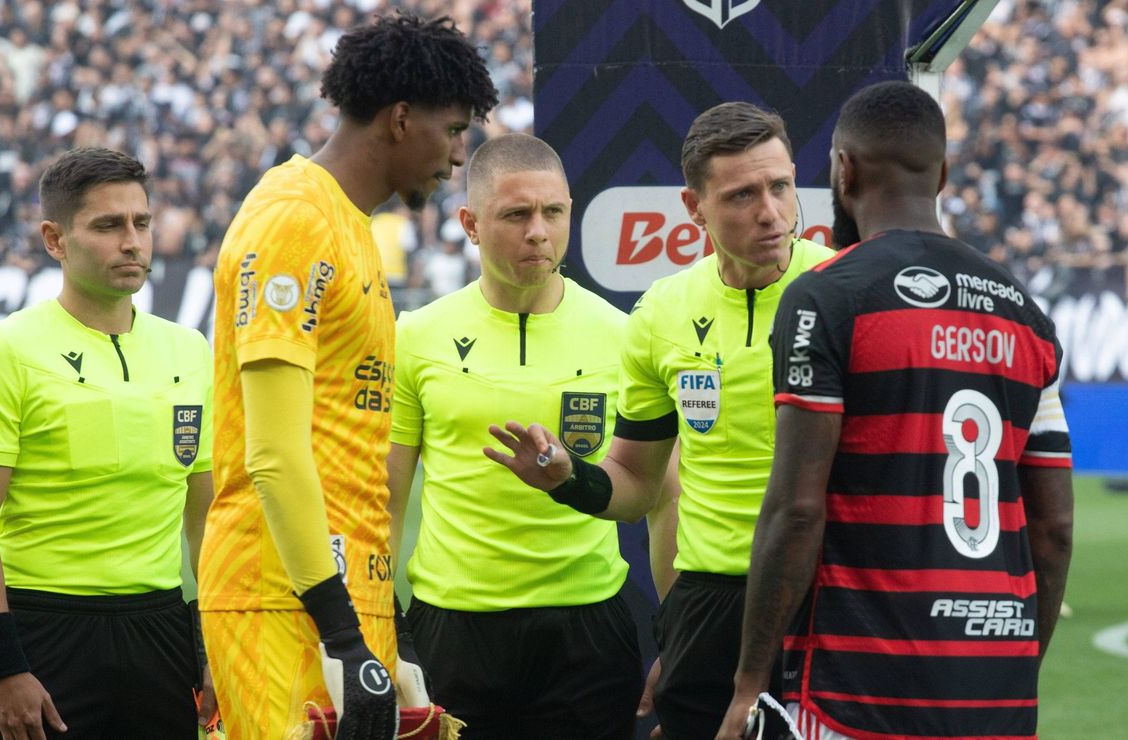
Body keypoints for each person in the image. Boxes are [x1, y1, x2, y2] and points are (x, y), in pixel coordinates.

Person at [717, 80, 1074, 740]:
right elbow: (1052, 530)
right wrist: (1013, 665)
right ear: (941, 172)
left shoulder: (827, 297)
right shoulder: (1029, 317)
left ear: (843, 169)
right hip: (994, 701)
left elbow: (797, 509)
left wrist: (747, 686)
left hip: (857, 695)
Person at [485, 102, 835, 738]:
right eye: (742, 195)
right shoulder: (662, 313)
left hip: (827, 593)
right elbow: (641, 483)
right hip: (708, 603)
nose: (771, 212)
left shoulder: (842, 290)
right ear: (693, 207)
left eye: (780, 186)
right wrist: (572, 480)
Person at [198, 13, 496, 740]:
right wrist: (342, 632)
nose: (460, 156)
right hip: (280, 596)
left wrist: (380, 619)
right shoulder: (293, 223)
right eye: (454, 130)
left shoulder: (350, 226)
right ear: (400, 120)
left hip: (341, 595)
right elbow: (272, 455)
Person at [0, 146, 216, 739]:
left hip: (162, 633)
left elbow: (207, 518)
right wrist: (3, 665)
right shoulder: (8, 351)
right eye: (107, 225)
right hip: (44, 634)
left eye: (141, 223)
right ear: (55, 239)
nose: (132, 241)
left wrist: (217, 640)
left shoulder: (190, 350)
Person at [387, 133, 650, 738]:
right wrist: (381, 624)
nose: (539, 230)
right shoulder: (417, 335)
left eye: (553, 212)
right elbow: (384, 497)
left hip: (586, 632)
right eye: (517, 214)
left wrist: (570, 480)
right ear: (471, 224)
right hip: (454, 629)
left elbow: (650, 494)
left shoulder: (624, 335)